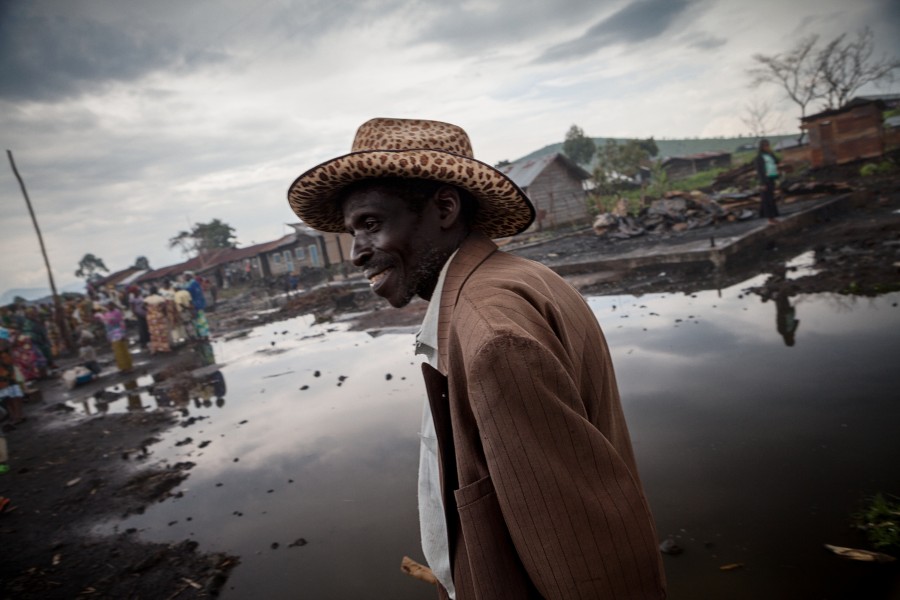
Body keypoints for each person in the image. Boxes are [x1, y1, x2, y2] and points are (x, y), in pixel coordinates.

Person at [287, 118, 666, 599]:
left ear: (445, 207)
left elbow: (585, 558)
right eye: (352, 232)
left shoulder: (492, 337)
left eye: (371, 225)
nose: (357, 253)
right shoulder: (518, 278)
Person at [96, 302, 132, 372]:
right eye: (108, 306)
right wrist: (108, 336)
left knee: (124, 351)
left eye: (110, 306)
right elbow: (107, 326)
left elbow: (122, 323)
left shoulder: (117, 312)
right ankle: (122, 367)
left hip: (119, 333)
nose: (109, 307)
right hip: (112, 335)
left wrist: (123, 334)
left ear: (113, 305)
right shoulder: (106, 314)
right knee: (117, 352)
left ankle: (129, 367)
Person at [755, 138, 780, 225]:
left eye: (768, 145)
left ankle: (773, 217)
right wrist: (763, 183)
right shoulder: (759, 157)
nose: (767, 147)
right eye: (765, 146)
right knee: (767, 200)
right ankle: (769, 218)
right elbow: (760, 171)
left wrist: (771, 153)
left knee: (771, 199)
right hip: (765, 180)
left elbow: (777, 161)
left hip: (771, 178)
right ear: (762, 147)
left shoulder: (769, 155)